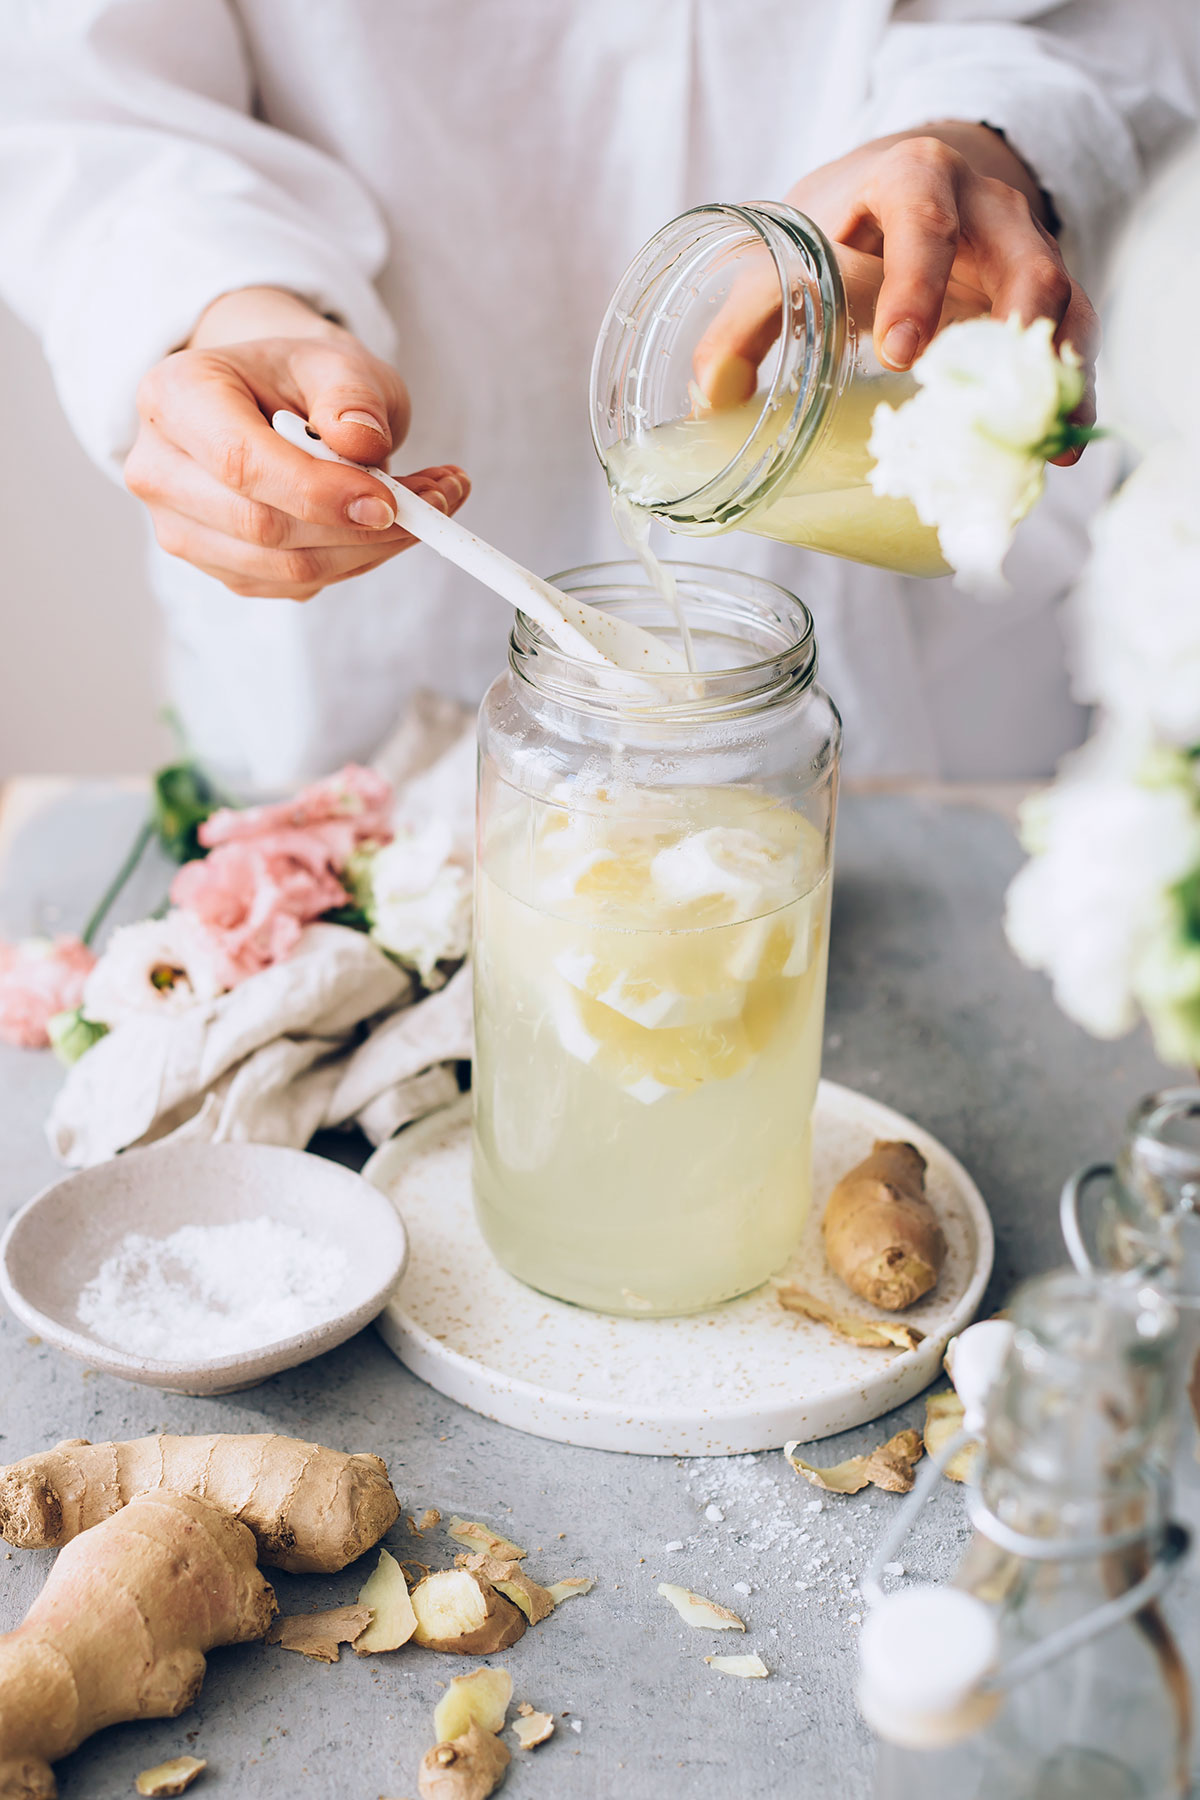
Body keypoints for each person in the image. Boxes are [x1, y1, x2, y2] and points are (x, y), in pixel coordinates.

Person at [0, 2, 1194, 792]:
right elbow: (78, 84)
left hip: (923, 678)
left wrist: (985, 143)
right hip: (364, 681)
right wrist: (225, 306)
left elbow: (1103, 19)